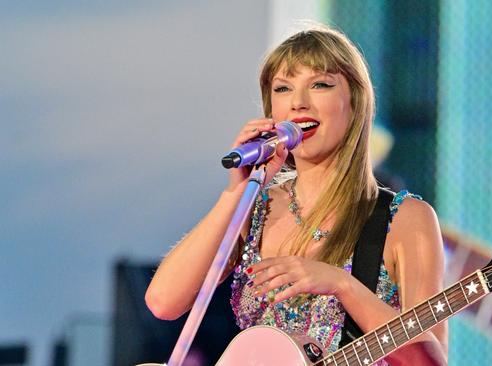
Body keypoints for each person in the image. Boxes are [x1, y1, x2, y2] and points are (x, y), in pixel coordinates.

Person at [145, 24, 448, 365]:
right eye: (283, 88)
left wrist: (343, 286)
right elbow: (163, 301)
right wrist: (236, 192)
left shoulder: (404, 219)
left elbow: (431, 361)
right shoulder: (254, 209)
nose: (299, 102)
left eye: (319, 84)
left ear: (355, 102)